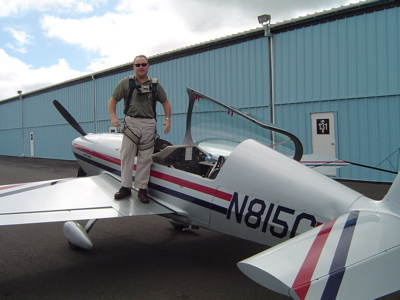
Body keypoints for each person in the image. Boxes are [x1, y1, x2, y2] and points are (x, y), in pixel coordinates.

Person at [108, 55, 171, 203]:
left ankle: (142, 188)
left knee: (145, 158)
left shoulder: (155, 85)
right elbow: (113, 101)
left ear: (148, 66)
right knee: (127, 155)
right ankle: (125, 186)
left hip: (149, 124)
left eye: (144, 64)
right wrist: (113, 118)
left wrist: (167, 120)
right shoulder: (126, 83)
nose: (141, 67)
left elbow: (165, 102)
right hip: (132, 122)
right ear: (134, 67)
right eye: (138, 65)